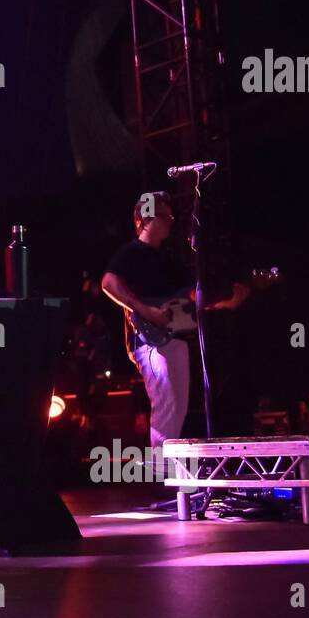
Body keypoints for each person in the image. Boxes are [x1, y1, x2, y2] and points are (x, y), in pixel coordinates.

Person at [101, 191, 247, 450]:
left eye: (170, 215)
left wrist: (227, 301)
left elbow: (191, 296)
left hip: (174, 338)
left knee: (177, 406)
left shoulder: (168, 258)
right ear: (144, 218)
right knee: (167, 404)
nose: (170, 220)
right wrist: (145, 311)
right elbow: (109, 283)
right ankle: (162, 472)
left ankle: (169, 470)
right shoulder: (130, 252)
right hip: (149, 340)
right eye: (164, 216)